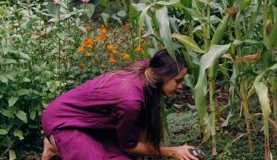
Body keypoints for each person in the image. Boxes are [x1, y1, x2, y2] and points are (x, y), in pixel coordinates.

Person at [41, 49, 198, 160]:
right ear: (162, 75)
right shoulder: (131, 100)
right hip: (63, 122)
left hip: (90, 123)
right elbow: (129, 146)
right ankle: (55, 143)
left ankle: (58, 146)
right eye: (177, 81)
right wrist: (170, 151)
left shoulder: (148, 70)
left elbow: (138, 132)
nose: (180, 86)